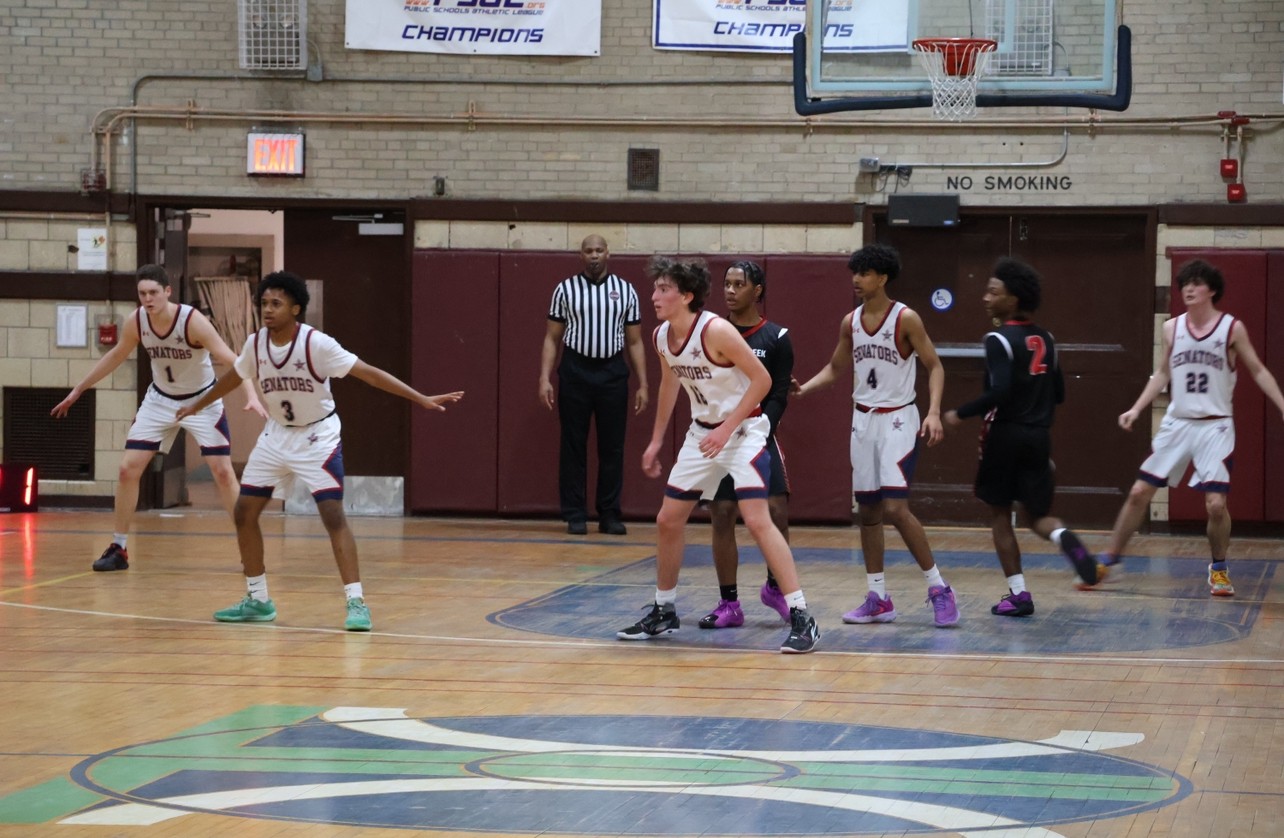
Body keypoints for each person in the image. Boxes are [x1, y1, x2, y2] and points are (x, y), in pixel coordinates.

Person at [175, 271, 463, 631]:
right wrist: (198, 404)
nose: (267, 309)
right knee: (244, 512)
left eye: (276, 304)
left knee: (331, 515)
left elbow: (369, 374)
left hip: (317, 437)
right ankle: (258, 599)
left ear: (295, 308)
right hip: (277, 435)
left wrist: (419, 398)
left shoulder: (317, 344)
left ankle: (356, 602)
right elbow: (235, 376)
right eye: (264, 303)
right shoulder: (255, 344)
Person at [617, 257, 820, 654]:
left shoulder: (717, 330)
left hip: (744, 431)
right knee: (667, 519)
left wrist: (728, 428)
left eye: (663, 290)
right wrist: (657, 440)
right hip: (702, 434)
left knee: (758, 520)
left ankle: (802, 616)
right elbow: (669, 387)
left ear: (686, 295)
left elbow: (762, 381)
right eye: (655, 289)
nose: (654, 296)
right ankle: (664, 610)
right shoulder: (661, 337)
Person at [1084, 259, 1284, 597]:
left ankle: (1219, 568)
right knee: (1138, 493)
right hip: (1177, 423)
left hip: (1215, 426)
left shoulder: (1231, 329)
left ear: (1212, 290)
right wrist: (1136, 408)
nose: (1188, 289)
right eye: (1185, 284)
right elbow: (1163, 373)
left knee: (1216, 505)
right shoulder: (1171, 328)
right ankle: (1110, 561)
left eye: (1196, 283)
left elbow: (1259, 370)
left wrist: (1281, 403)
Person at [50, 264, 267, 571]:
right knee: (128, 469)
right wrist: (78, 390)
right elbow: (116, 355)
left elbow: (234, 359)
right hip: (160, 400)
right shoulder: (137, 321)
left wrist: (251, 395)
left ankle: (248, 546)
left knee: (222, 471)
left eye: (153, 292)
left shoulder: (193, 321)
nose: (147, 299)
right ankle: (119, 548)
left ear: (168, 292)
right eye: (142, 293)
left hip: (202, 401)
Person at [791, 243, 959, 627]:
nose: (856, 279)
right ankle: (878, 597)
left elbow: (935, 366)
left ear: (882, 278)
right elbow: (835, 369)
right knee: (868, 512)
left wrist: (932, 412)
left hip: (899, 419)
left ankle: (939, 588)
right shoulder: (850, 322)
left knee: (895, 509)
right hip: (862, 421)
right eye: (855, 272)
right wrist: (804, 389)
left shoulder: (907, 319)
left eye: (864, 273)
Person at [942, 258, 1099, 617]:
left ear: (1012, 300)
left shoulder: (998, 339)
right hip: (1039, 436)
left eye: (993, 292)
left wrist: (958, 413)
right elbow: (1059, 393)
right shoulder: (1047, 338)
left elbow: (999, 392)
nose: (985, 297)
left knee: (1000, 516)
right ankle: (1065, 539)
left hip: (1005, 436)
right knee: (1039, 517)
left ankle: (1019, 595)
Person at [698, 261, 795, 630]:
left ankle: (775, 586)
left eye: (739, 284)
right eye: (726, 283)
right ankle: (729, 603)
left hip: (759, 432)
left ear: (758, 290)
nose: (730, 290)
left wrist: (761, 427)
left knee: (776, 511)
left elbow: (779, 392)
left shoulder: (777, 337)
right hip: (720, 437)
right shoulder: (710, 334)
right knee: (722, 513)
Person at [539, 235, 649, 535]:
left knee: (612, 447)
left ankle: (609, 514)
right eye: (589, 251)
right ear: (581, 255)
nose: (594, 255)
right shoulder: (564, 289)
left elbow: (635, 341)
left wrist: (643, 383)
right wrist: (544, 378)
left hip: (613, 371)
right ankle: (575, 513)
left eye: (599, 250)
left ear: (608, 254)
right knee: (573, 445)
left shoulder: (626, 291)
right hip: (575, 370)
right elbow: (552, 338)